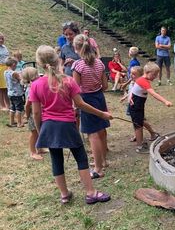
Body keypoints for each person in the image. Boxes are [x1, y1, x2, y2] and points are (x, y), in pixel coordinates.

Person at [30, 45, 112, 205]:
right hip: (67, 125)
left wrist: (41, 131)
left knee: (56, 160)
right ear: (57, 60)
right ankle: (91, 193)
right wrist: (102, 114)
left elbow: (36, 113)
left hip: (48, 127)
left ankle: (64, 194)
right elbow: (80, 104)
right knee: (81, 158)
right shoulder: (68, 81)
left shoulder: (36, 85)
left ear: (39, 63)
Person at [72, 34, 110, 179]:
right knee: (101, 130)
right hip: (99, 97)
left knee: (92, 134)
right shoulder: (100, 63)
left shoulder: (78, 66)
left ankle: (98, 168)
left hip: (86, 100)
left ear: (76, 49)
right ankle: (104, 161)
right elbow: (105, 86)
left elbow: (75, 88)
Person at [129, 62, 172, 153]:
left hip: (138, 106)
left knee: (140, 122)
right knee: (138, 126)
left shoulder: (141, 80)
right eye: (154, 74)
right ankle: (140, 147)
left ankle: (152, 135)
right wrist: (165, 101)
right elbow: (153, 93)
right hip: (136, 107)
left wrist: (130, 96)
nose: (156, 77)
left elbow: (133, 88)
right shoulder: (143, 81)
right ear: (148, 72)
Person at [121, 66, 159, 142]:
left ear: (140, 75)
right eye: (131, 73)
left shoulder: (140, 83)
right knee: (136, 121)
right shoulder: (133, 81)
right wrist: (125, 97)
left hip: (137, 105)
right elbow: (132, 92)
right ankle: (137, 135)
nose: (131, 75)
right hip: (131, 104)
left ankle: (152, 133)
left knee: (140, 121)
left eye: (134, 74)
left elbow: (149, 92)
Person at [22, 67, 45, 160]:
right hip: (32, 114)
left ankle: (39, 148)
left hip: (38, 112)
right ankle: (32, 151)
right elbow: (27, 105)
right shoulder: (30, 88)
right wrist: (27, 115)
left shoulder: (35, 85)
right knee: (34, 133)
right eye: (37, 75)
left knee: (39, 131)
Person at [4, 57, 24, 128]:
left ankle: (12, 122)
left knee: (12, 108)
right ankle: (19, 123)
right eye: (16, 65)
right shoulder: (14, 73)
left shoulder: (5, 72)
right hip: (17, 93)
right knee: (19, 108)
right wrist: (21, 75)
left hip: (10, 92)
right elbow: (21, 80)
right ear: (13, 64)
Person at [0, 32, 10, 111]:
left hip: (6, 68)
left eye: (2, 38)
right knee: (1, 88)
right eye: (0, 38)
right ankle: (2, 105)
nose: (1, 40)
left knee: (6, 87)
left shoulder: (4, 47)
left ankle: (8, 104)